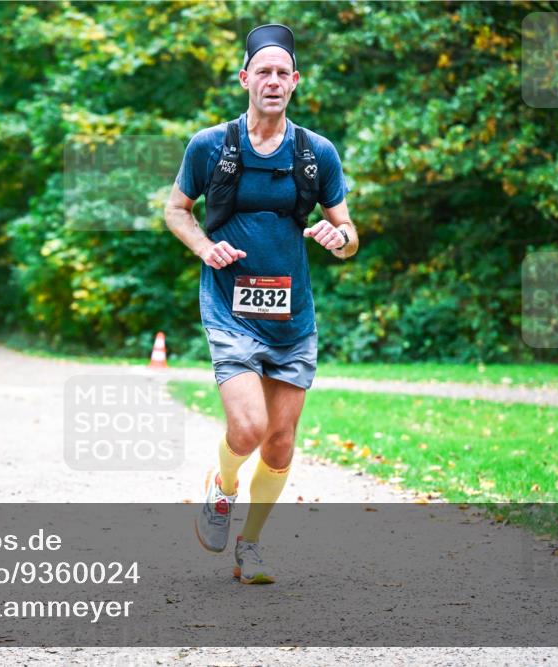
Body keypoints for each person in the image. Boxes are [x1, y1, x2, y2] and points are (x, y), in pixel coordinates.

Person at [164, 24, 359, 584]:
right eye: (263, 72)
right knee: (247, 427)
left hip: (292, 316)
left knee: (279, 441)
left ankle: (250, 547)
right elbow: (177, 210)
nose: (272, 81)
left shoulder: (316, 153)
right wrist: (204, 246)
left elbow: (348, 233)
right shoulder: (210, 146)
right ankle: (221, 491)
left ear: (294, 82)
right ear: (246, 78)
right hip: (230, 306)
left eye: (283, 73)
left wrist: (337, 238)